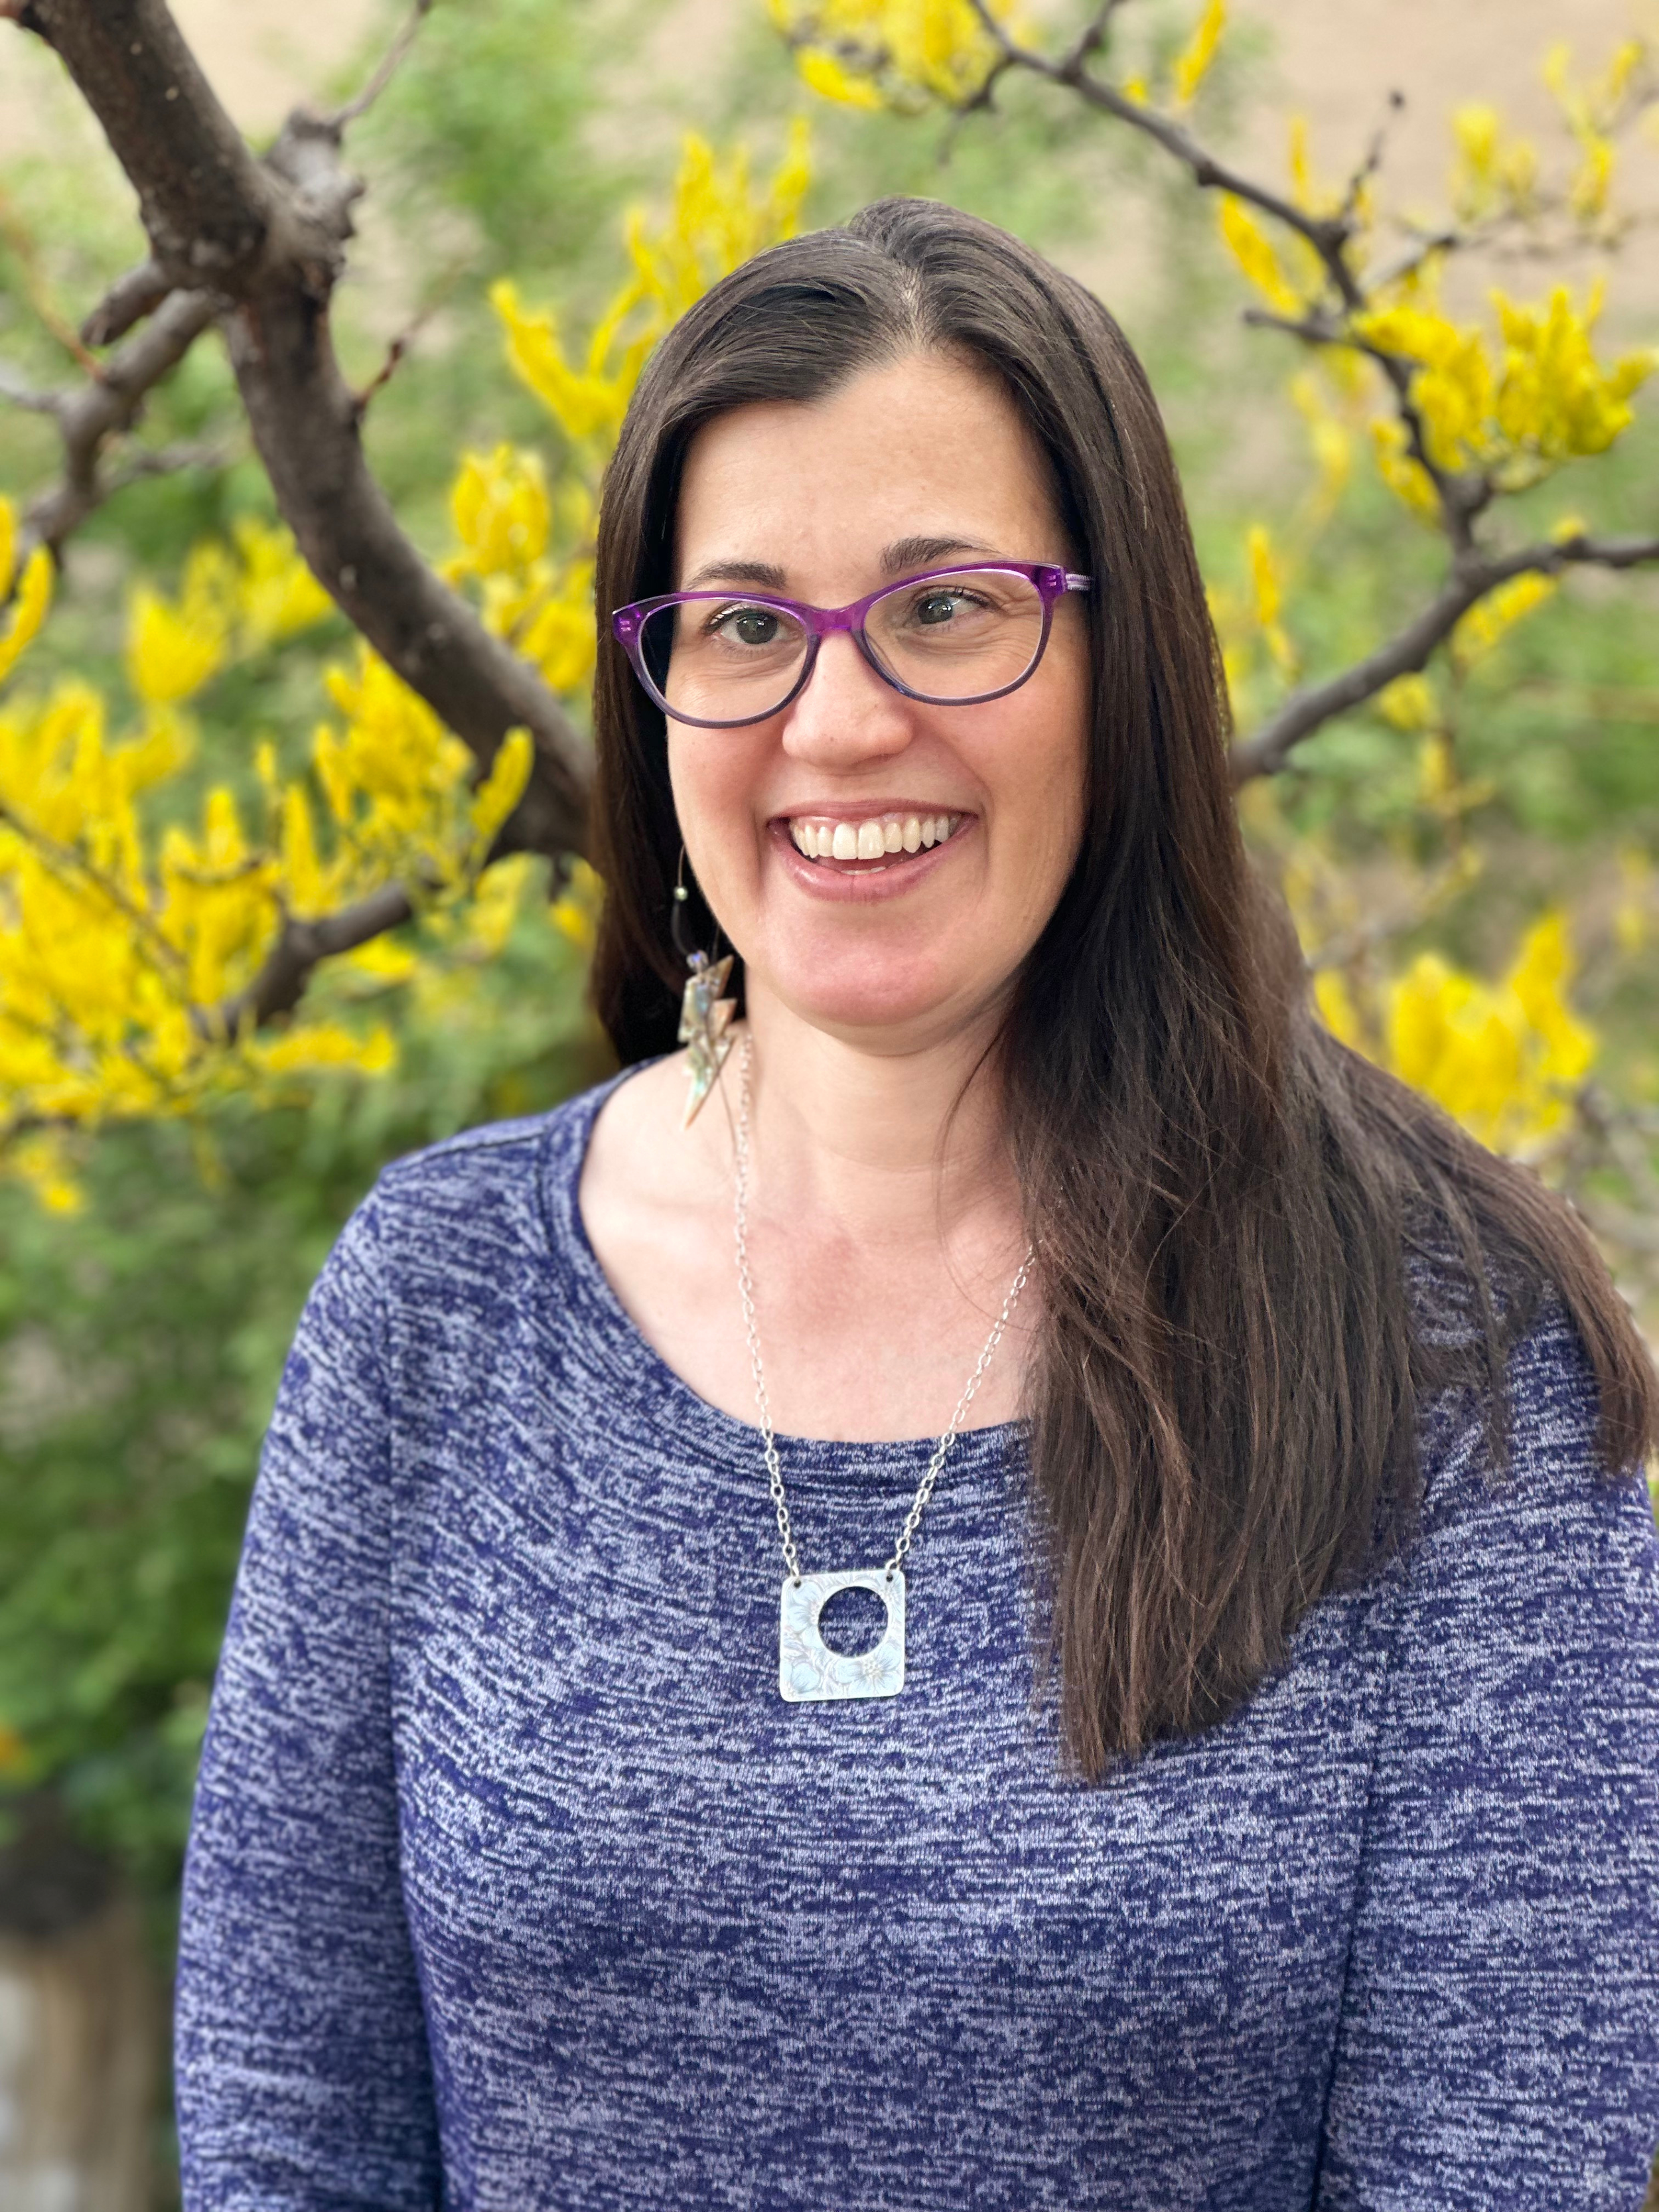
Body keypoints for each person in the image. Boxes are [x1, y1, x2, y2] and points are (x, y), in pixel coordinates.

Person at [175, 200, 1659, 2209]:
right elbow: (286, 2126)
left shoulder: (1450, 1353)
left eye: (949, 605)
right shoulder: (437, 1301)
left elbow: (1515, 2155)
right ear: (656, 689)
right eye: (745, 624)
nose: (838, 718)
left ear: (1120, 655)